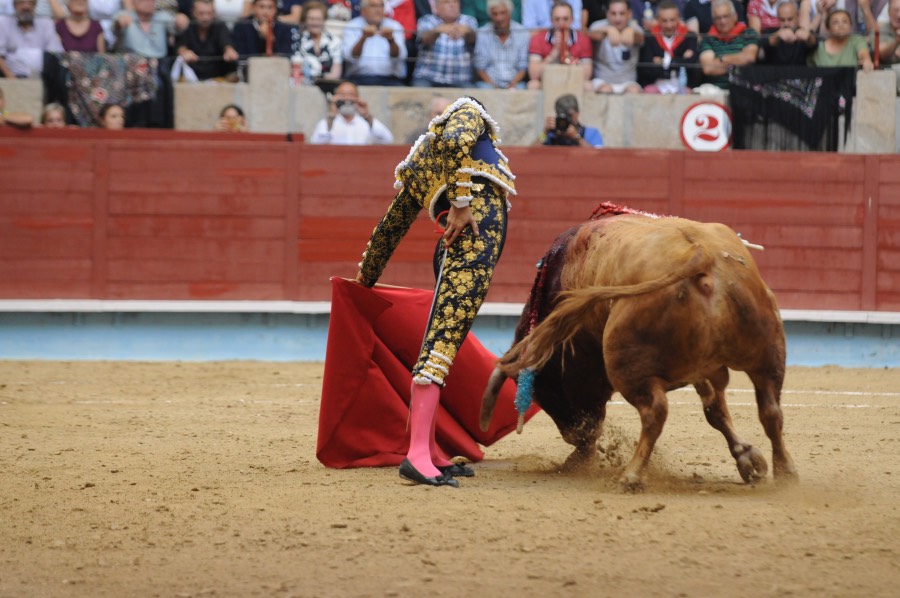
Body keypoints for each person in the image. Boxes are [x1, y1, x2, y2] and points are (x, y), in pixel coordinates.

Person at [353, 96, 516, 488]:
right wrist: (461, 203)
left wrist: (363, 283)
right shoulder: (467, 113)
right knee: (440, 348)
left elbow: (389, 230)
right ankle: (418, 456)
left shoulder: (422, 161)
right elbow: (457, 139)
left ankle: (431, 451)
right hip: (472, 247)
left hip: (458, 251)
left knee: (441, 344)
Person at [526, 0, 593, 90]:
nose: (561, 23)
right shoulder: (538, 39)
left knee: (588, 86)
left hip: (572, 79)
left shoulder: (583, 39)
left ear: (572, 19)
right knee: (533, 85)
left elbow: (586, 75)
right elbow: (533, 74)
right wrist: (554, 52)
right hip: (547, 81)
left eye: (565, 19)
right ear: (551, 20)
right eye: (557, 19)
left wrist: (565, 50)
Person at [412, 0, 478, 87]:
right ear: (436, 7)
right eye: (447, 2)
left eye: (455, 2)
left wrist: (467, 32)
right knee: (418, 90)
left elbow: (474, 40)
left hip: (461, 79)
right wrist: (437, 31)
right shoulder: (426, 20)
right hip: (428, 77)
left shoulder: (469, 21)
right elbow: (424, 40)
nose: (452, 5)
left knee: (471, 96)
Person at [340, 0, 407, 86]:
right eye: (373, 6)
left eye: (381, 6)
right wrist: (363, 38)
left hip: (390, 79)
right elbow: (349, 57)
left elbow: (400, 57)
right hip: (359, 79)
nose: (378, 10)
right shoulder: (352, 26)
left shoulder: (395, 26)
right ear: (363, 10)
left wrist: (391, 40)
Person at [639, 0, 697, 93]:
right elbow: (646, 69)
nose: (669, 25)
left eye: (672, 20)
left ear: (678, 18)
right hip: (656, 85)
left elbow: (692, 64)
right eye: (664, 21)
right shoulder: (650, 37)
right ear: (658, 19)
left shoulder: (689, 36)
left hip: (682, 85)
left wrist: (663, 61)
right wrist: (679, 61)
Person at [698, 0, 759, 88]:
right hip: (717, 91)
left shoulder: (748, 33)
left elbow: (749, 58)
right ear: (713, 20)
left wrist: (722, 58)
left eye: (726, 16)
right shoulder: (708, 39)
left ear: (735, 16)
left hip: (744, 89)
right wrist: (738, 60)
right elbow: (708, 68)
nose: (722, 21)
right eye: (718, 18)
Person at [310, 79, 393, 144]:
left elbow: (387, 140)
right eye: (342, 95)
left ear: (358, 98)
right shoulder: (327, 123)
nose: (346, 99)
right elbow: (316, 143)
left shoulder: (366, 123)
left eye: (351, 95)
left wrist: (367, 116)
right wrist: (332, 116)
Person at [588, 0, 644, 94]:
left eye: (622, 14)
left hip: (628, 82)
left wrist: (631, 31)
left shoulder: (635, 28)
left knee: (633, 91)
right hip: (602, 81)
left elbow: (641, 38)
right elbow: (588, 34)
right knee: (605, 90)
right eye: (613, 14)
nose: (617, 18)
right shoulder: (598, 26)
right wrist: (607, 30)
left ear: (629, 14)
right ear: (607, 14)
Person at [175, 0, 239, 81]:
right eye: (201, 13)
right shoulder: (188, 26)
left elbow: (226, 41)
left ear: (214, 13)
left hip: (217, 77)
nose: (205, 18)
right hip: (192, 76)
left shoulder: (220, 26)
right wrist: (184, 53)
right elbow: (181, 45)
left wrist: (229, 50)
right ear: (193, 12)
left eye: (209, 13)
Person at [473, 0, 528, 89]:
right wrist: (493, 86)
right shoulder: (482, 33)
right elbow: (480, 68)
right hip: (489, 83)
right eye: (495, 14)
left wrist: (512, 85)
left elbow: (522, 67)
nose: (499, 18)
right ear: (490, 15)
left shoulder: (522, 33)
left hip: (515, 82)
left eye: (503, 13)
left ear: (510, 13)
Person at [0, 0, 62, 78]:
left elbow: (54, 53)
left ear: (35, 6)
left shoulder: (46, 23)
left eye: (30, 3)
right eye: (22, 2)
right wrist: (11, 78)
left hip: (42, 78)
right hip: (11, 77)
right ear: (14, 6)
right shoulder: (3, 23)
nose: (26, 7)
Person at [290, 1, 342, 80]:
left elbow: (336, 73)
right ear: (305, 20)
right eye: (311, 19)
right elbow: (295, 68)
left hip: (326, 85)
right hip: (302, 85)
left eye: (318, 19)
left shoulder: (334, 41)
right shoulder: (296, 40)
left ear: (324, 20)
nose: (315, 22)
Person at [809, 8, 874, 69]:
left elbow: (863, 54)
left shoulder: (857, 40)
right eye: (835, 22)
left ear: (850, 26)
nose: (841, 25)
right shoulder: (819, 47)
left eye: (845, 21)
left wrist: (866, 60)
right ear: (828, 28)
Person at [757, 0, 816, 65]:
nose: (786, 23)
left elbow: (814, 43)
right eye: (782, 20)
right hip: (775, 73)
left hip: (800, 73)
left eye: (790, 19)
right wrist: (777, 36)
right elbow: (764, 47)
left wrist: (808, 37)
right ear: (777, 18)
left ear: (797, 17)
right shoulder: (769, 32)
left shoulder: (803, 32)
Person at [536, 92, 604, 147]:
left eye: (569, 115)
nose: (566, 119)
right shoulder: (551, 135)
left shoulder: (591, 133)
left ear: (577, 113)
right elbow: (530, 153)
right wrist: (544, 133)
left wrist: (577, 138)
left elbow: (599, 156)